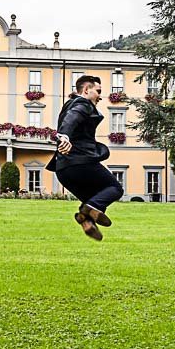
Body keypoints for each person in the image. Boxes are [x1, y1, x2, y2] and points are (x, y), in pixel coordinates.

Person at [47, 74, 123, 241]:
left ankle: (86, 220)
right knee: (115, 189)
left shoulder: (68, 106)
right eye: (98, 91)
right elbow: (72, 119)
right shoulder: (82, 104)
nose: (100, 96)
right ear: (87, 90)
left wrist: (64, 137)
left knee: (94, 199)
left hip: (63, 170)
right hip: (80, 163)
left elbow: (69, 119)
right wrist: (64, 136)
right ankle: (89, 210)